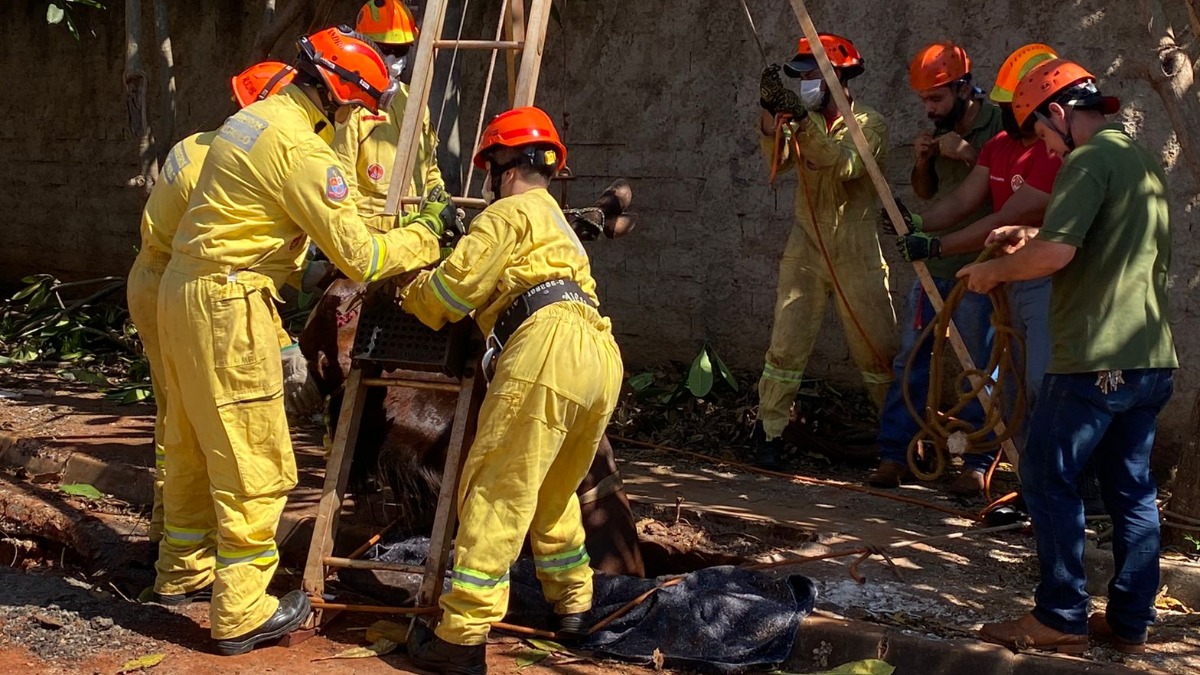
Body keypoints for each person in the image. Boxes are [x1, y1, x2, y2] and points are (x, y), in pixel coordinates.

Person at [152, 26, 453, 656]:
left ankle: (181, 573)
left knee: (189, 438)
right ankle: (240, 610)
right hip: (231, 303)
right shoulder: (300, 150)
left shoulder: (256, 120)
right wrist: (427, 233)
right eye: (355, 106)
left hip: (183, 291)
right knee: (257, 461)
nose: (354, 118)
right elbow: (363, 256)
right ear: (340, 96)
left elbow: (308, 210)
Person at [964, 58, 1176, 654]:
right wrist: (1029, 238)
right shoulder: (1139, 160)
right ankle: (1132, 622)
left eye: (1044, 137)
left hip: (1094, 358)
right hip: (1150, 359)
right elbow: (1094, 244)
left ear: (1058, 114)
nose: (1049, 152)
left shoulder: (1085, 161)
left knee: (1045, 474)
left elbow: (1057, 258)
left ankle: (1060, 616)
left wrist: (992, 271)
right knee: (1130, 489)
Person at [401, 107, 623, 675]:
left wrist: (409, 284)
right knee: (553, 491)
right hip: (599, 353)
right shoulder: (558, 224)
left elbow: (448, 298)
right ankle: (573, 605)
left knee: (496, 489)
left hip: (544, 348)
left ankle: (461, 636)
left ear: (500, 165)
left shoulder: (505, 215)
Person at [127, 61, 295, 574]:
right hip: (189, 288)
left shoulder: (197, 146)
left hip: (159, 279)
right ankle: (184, 543)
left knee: (177, 410)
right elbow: (222, 255)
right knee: (192, 416)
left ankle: (175, 545)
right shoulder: (232, 164)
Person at [886, 44, 1063, 494]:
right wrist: (917, 225)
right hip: (979, 270)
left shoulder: (1050, 154)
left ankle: (1009, 471)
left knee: (1008, 376)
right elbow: (963, 200)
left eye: (1015, 107)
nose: (1010, 114)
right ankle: (897, 452)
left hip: (1024, 276)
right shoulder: (1003, 145)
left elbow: (999, 219)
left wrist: (935, 240)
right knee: (917, 360)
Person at [752, 33, 898, 470]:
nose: (803, 85)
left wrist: (802, 122)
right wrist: (769, 112)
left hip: (858, 251)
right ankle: (769, 432)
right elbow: (775, 160)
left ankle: (900, 441)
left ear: (838, 76)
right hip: (806, 248)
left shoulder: (869, 123)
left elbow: (845, 165)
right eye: (799, 78)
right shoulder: (802, 120)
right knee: (785, 347)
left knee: (878, 351)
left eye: (811, 75)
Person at [867, 41, 1003, 494]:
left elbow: (1001, 195)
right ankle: (895, 454)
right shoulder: (938, 129)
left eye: (937, 99)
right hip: (935, 264)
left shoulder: (998, 125)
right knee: (912, 357)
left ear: (964, 88)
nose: (929, 109)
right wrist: (924, 162)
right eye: (924, 100)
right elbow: (927, 195)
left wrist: (967, 152)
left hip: (982, 265)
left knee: (978, 366)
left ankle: (977, 461)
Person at [335, 0, 444, 231]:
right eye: (385, 49)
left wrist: (440, 206)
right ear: (363, 44)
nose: (394, 59)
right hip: (368, 236)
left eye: (401, 50)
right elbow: (341, 186)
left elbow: (429, 167)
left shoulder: (413, 101)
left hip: (414, 232)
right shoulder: (349, 102)